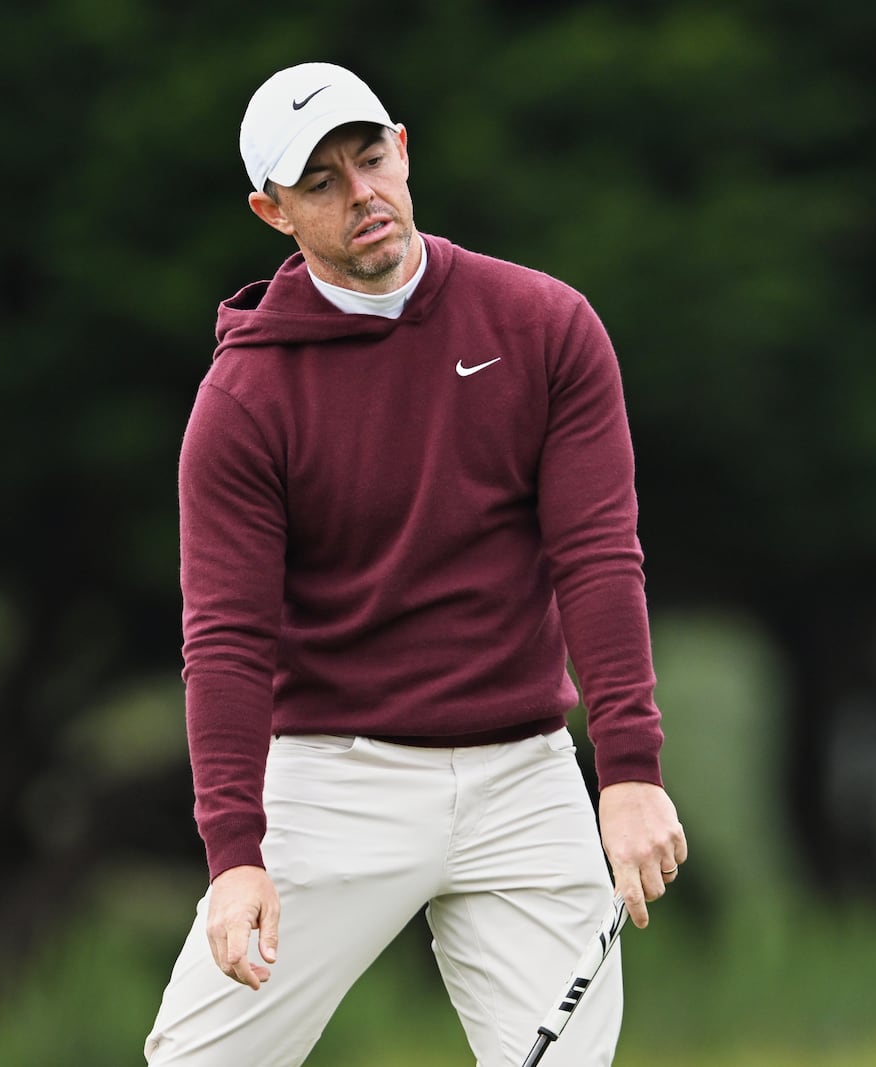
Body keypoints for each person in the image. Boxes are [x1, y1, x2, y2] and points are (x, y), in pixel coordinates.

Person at [143, 62, 687, 1066]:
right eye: (320, 183)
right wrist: (235, 855)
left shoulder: (543, 327)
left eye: (369, 157)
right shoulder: (244, 401)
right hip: (331, 777)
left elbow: (597, 554)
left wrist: (629, 770)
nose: (361, 196)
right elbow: (225, 640)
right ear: (271, 211)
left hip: (522, 775)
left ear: (403, 145)